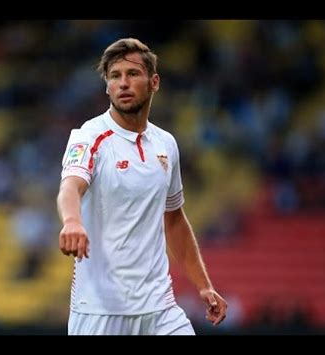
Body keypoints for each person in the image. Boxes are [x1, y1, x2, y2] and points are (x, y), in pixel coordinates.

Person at [57, 38, 227, 335]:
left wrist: (203, 285)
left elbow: (174, 219)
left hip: (160, 308)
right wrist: (72, 221)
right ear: (107, 86)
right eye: (115, 76)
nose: (123, 83)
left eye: (133, 74)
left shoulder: (166, 145)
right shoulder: (89, 137)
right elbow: (70, 186)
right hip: (101, 311)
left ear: (154, 82)